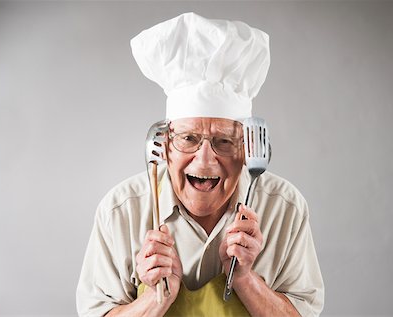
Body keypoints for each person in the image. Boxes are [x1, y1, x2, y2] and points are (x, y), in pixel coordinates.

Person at [76, 12, 324, 317]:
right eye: (189, 138)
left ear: (247, 150)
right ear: (165, 147)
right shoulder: (121, 212)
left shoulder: (285, 209)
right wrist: (155, 298)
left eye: (223, 141)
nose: (205, 160)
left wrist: (246, 280)